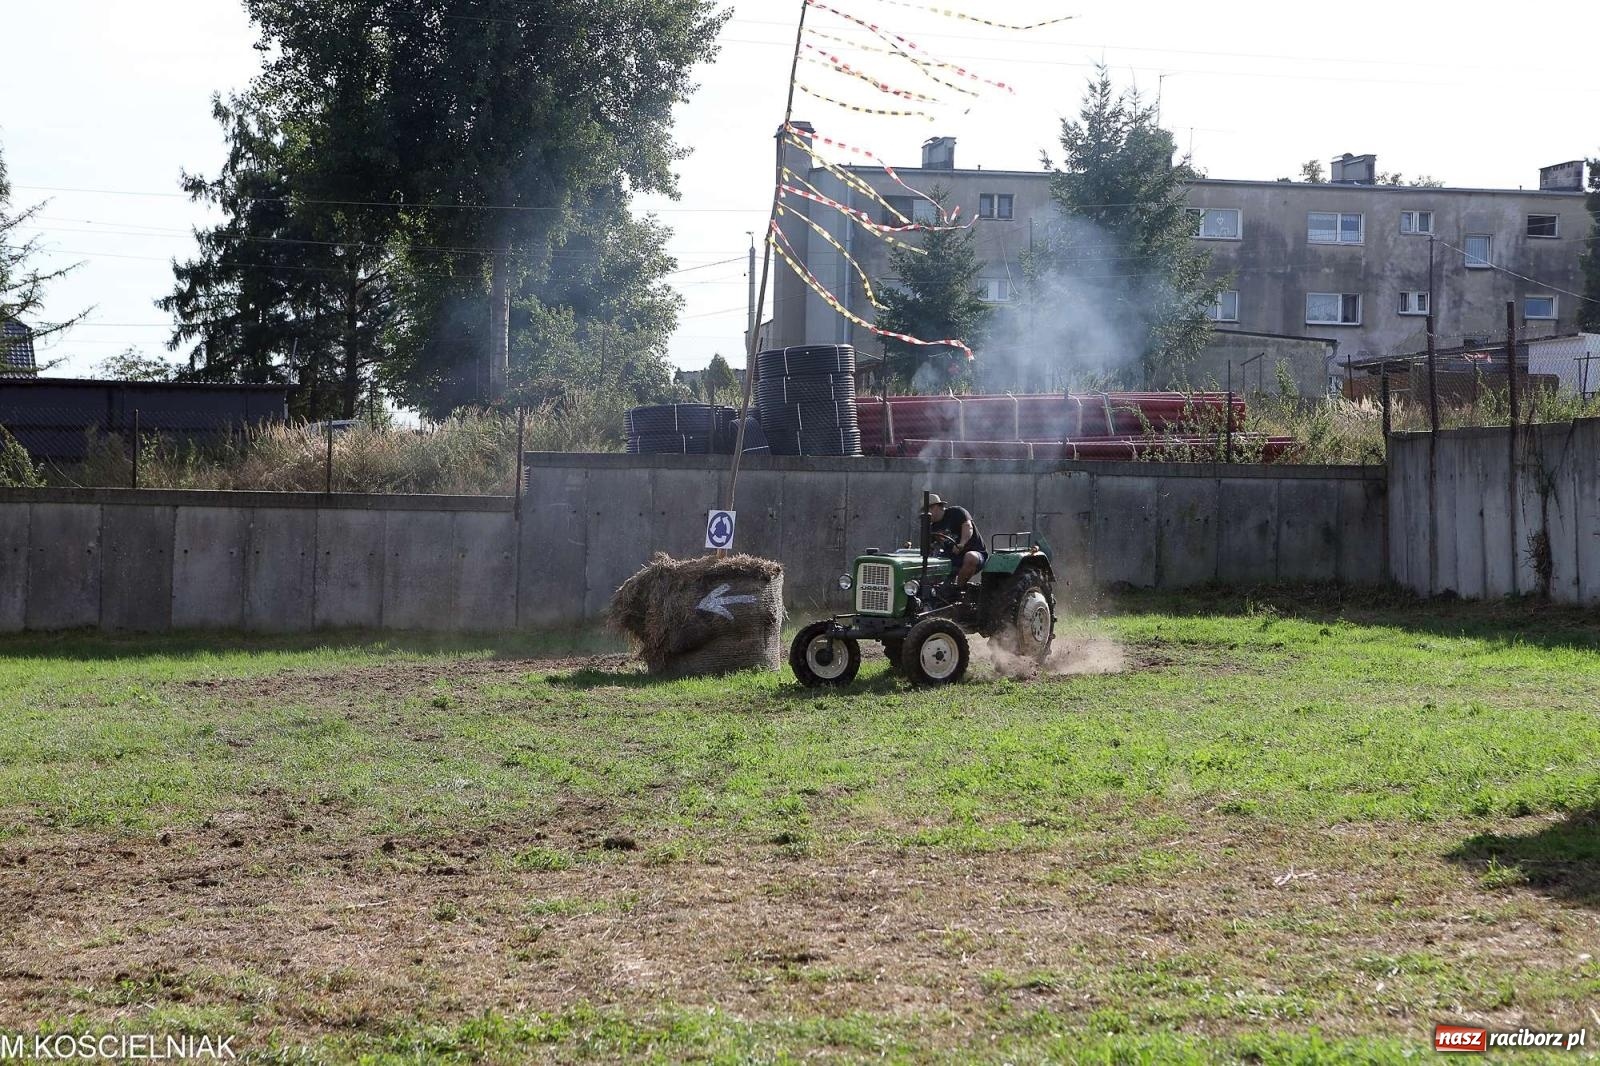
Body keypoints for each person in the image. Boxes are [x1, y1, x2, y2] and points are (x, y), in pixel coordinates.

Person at [925, 494, 986, 587]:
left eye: (929, 509)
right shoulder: (932, 527)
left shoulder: (956, 512)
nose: (927, 513)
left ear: (937, 506)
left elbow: (968, 527)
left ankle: (958, 589)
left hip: (974, 553)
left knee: (970, 557)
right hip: (951, 557)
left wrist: (962, 543)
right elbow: (931, 547)